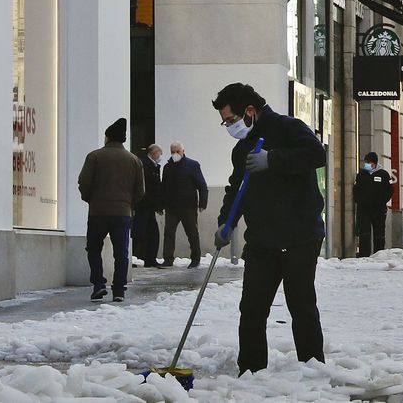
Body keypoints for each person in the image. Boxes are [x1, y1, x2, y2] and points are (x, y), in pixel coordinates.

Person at [212, 82, 326, 375]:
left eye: (231, 120)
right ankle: (250, 371)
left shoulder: (289, 128)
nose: (229, 126)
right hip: (263, 240)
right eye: (225, 122)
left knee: (301, 307)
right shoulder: (242, 149)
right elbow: (235, 188)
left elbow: (316, 155)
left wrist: (272, 160)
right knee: (251, 309)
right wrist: (226, 222)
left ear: (249, 111)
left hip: (300, 236)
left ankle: (312, 369)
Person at [78, 118, 144, 301]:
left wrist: (90, 199)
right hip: (122, 213)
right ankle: (119, 290)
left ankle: (99, 284)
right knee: (121, 253)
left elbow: (83, 182)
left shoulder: (94, 156)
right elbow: (140, 190)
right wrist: (128, 204)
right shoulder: (134, 160)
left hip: (97, 212)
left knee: (93, 248)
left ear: (107, 137)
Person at [160, 141, 209, 269]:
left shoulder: (192, 165)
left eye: (178, 151)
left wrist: (203, 202)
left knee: (192, 232)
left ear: (183, 151)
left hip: (188, 206)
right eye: (173, 152)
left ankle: (195, 258)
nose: (175, 154)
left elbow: (202, 185)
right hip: (171, 207)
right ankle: (168, 258)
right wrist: (161, 204)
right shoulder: (167, 167)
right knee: (169, 232)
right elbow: (164, 187)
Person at [354, 152, 394, 256]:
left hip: (379, 208)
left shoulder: (383, 174)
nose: (367, 164)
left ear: (375, 163)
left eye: (369, 162)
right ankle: (364, 254)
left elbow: (390, 190)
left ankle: (379, 253)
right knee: (364, 232)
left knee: (379, 232)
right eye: (366, 162)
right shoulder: (361, 175)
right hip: (364, 208)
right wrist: (359, 200)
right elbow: (356, 189)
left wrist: (382, 200)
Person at [133, 144, 164, 268]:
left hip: (149, 206)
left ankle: (150, 259)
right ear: (154, 152)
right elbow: (149, 187)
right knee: (138, 232)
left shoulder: (152, 165)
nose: (160, 156)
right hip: (144, 205)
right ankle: (136, 257)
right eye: (159, 153)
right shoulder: (145, 165)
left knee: (151, 233)